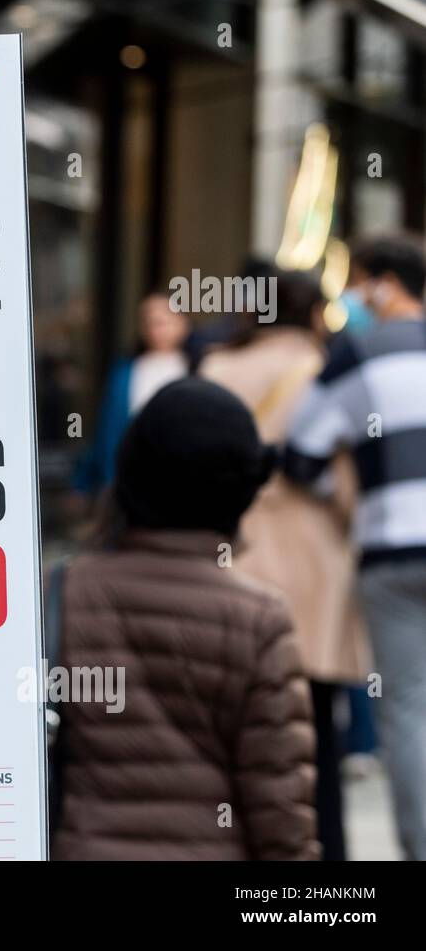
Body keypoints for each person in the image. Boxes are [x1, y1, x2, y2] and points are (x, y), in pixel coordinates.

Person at [52, 378, 318, 860]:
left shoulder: (63, 594)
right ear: (239, 495)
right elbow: (280, 815)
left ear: (129, 474)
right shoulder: (259, 621)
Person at [199, 269, 368, 860]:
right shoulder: (330, 372)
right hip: (315, 568)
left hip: (231, 562)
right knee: (316, 732)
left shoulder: (218, 370)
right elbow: (348, 484)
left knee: (231, 731)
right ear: (315, 313)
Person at [284, 233, 426, 860]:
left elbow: (301, 452)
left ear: (385, 284)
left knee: (407, 710)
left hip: (392, 550)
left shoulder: (357, 354)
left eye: (359, 282)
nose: (352, 297)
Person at [73, 290, 189, 499]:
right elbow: (107, 430)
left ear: (182, 322)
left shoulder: (198, 368)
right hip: (132, 480)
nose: (156, 330)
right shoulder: (126, 371)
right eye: (149, 322)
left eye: (162, 322)